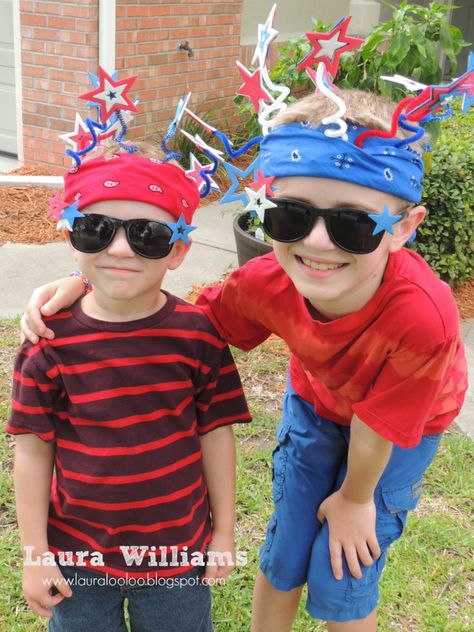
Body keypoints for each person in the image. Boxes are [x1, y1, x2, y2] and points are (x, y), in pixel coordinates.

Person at [20, 89, 468, 631]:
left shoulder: (423, 316)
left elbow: (379, 427)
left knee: (344, 568)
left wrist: (354, 498)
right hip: (318, 406)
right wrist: (86, 278)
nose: (318, 242)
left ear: (402, 226)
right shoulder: (265, 283)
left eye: (352, 223)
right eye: (291, 216)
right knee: (285, 552)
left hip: (403, 430)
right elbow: (183, 327)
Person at [8, 142, 251, 632]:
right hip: (76, 553)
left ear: (178, 250)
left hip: (176, 551)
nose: (120, 249)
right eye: (96, 229)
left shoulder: (198, 335)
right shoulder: (46, 345)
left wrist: (223, 531)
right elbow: (33, 453)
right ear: (73, 239)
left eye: (148, 235)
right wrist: (35, 555)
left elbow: (215, 434)